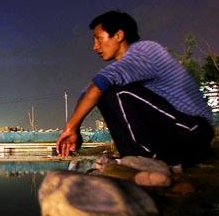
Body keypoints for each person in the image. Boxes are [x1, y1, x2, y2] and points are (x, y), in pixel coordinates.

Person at [56, 10, 214, 167]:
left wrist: (71, 127)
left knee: (114, 92)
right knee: (103, 95)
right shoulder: (119, 70)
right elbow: (88, 92)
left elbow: (98, 86)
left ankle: (151, 158)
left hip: (193, 131)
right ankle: (133, 157)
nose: (95, 47)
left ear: (119, 35)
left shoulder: (147, 51)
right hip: (171, 134)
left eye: (98, 38)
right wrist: (75, 129)